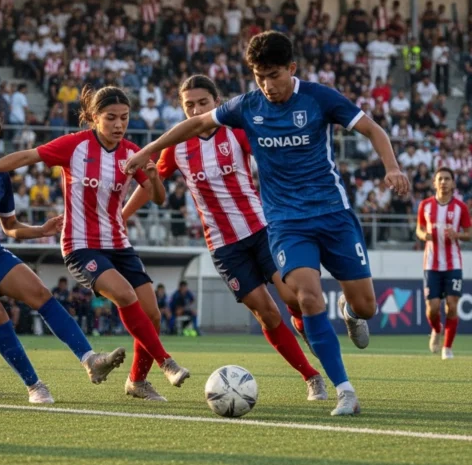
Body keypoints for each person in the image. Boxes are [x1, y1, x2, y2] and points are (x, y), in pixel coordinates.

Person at [123, 31, 410, 416]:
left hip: (333, 215)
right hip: (284, 223)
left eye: (273, 75)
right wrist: (148, 150)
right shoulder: (247, 106)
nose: (267, 85)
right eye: (259, 77)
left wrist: (391, 167)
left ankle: (353, 313)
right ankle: (343, 389)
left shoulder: (319, 98)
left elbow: (372, 129)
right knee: (305, 298)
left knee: (367, 305)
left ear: (291, 69)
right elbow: (191, 127)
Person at [0, 86, 191, 402]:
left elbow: (158, 197)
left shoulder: (132, 152)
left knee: (152, 314)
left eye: (124, 118)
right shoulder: (75, 145)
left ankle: (137, 382)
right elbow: (28, 156)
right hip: (80, 244)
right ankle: (166, 362)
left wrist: (153, 177)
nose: (118, 124)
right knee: (126, 295)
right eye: (110, 118)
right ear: (94, 118)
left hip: (118, 242)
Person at [123, 75, 326, 401]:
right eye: (189, 104)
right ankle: (312, 377)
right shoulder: (176, 146)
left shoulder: (236, 131)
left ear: (216, 102)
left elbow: (273, 157)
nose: (196, 109)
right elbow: (152, 188)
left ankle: (306, 328)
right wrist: (122, 216)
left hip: (262, 231)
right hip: (223, 245)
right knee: (267, 312)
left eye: (203, 102)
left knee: (292, 297)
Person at [0, 104, 126, 403]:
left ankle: (90, 360)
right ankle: (35, 385)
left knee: (41, 294)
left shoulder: (0, 175)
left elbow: (10, 226)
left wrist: (41, 230)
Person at [416, 167, 470, 360]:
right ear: (434, 183)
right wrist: (424, 235)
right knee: (432, 308)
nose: (444, 182)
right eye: (440, 179)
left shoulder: (460, 208)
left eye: (447, 179)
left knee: (452, 306)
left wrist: (459, 235)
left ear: (453, 183)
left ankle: (447, 347)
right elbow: (419, 229)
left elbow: (469, 233)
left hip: (453, 263)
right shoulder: (425, 205)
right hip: (431, 264)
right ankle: (436, 329)